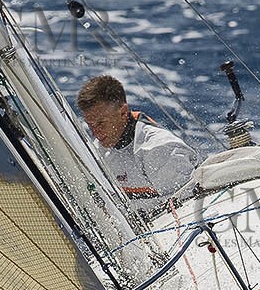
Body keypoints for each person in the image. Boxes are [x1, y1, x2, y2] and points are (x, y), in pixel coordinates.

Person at [77, 74, 195, 208]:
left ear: (123, 112)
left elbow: (187, 205)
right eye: (90, 124)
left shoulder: (159, 148)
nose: (95, 132)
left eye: (101, 123)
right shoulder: (98, 152)